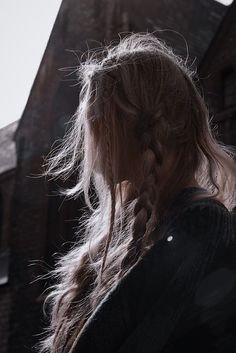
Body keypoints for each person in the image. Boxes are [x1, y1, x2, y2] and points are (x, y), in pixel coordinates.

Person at [39, 32, 236, 353]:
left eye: (93, 122)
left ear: (128, 127)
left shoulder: (203, 226)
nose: (88, 144)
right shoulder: (135, 230)